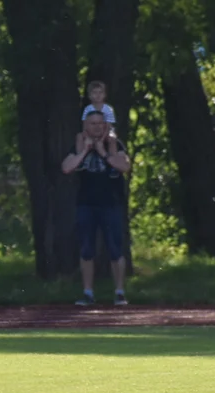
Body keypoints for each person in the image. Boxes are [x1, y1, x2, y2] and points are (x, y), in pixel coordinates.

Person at [62, 110, 132, 306]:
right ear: (86, 126)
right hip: (86, 204)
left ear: (105, 125)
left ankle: (119, 292)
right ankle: (88, 292)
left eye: (100, 123)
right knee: (86, 249)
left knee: (116, 249)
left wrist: (103, 152)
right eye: (92, 123)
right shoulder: (78, 146)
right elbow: (67, 167)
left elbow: (124, 166)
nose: (97, 127)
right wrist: (85, 151)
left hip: (111, 204)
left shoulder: (115, 145)